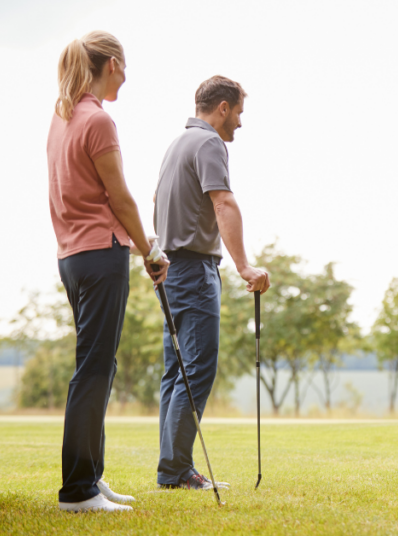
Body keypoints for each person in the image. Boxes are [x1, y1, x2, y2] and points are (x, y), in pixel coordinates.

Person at [47, 31, 168, 513]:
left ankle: (91, 478)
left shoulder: (62, 117)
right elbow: (120, 197)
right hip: (101, 253)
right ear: (113, 64)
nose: (127, 76)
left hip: (73, 257)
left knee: (98, 365)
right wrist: (149, 249)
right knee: (93, 369)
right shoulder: (98, 119)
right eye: (125, 66)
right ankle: (77, 490)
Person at [154, 75, 270, 490]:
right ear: (223, 107)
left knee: (176, 373)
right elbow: (223, 202)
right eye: (238, 112)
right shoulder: (208, 143)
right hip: (193, 272)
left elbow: (157, 203)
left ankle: (171, 469)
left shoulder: (177, 145)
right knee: (196, 370)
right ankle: (177, 471)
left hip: (170, 271)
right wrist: (244, 266)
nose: (239, 121)